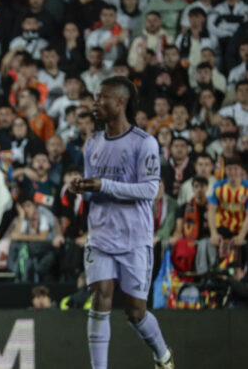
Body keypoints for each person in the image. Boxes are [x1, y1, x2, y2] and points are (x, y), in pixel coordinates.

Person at [70, 76, 173, 369]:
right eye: (95, 97)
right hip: (101, 236)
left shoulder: (145, 143)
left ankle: (162, 356)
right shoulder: (92, 143)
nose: (95, 103)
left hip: (135, 238)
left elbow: (149, 190)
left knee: (135, 312)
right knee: (101, 296)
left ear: (121, 102)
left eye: (102, 98)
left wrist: (103, 184)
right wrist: (81, 190)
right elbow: (95, 190)